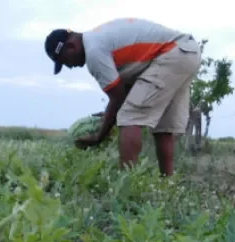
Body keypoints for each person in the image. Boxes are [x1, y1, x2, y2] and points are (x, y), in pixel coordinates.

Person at [45, 18, 202, 176]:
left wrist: (99, 136)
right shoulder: (98, 39)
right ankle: (167, 182)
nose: (69, 67)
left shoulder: (93, 51)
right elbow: (123, 92)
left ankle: (127, 184)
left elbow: (117, 97)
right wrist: (110, 114)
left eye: (64, 61)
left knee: (129, 117)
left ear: (71, 47)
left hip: (173, 54)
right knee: (164, 128)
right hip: (187, 52)